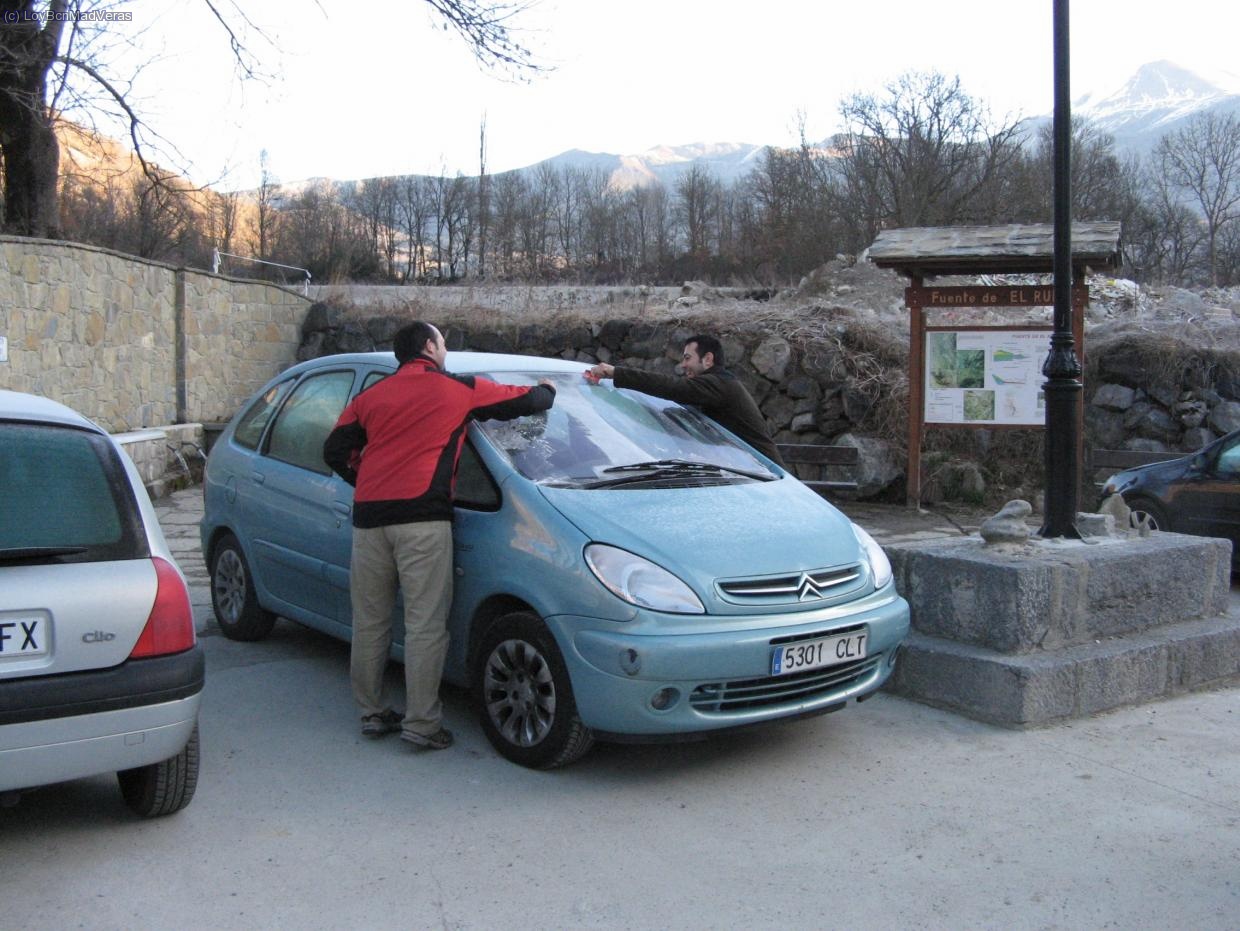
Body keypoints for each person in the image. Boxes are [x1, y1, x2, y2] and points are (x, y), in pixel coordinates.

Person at [323, 322, 555, 751]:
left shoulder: (369, 398)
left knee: (370, 624)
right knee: (425, 626)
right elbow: (524, 401)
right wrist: (546, 389)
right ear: (429, 347)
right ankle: (422, 724)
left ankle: (371, 713)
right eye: (443, 342)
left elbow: (334, 449)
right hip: (422, 521)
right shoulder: (457, 389)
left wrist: (369, 481)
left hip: (369, 520)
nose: (445, 348)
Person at [585, 334, 785, 467]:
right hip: (753, 472)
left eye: (688, 358)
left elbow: (670, 387)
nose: (682, 365)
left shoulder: (719, 386)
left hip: (768, 475)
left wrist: (616, 373)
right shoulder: (716, 387)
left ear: (708, 359)